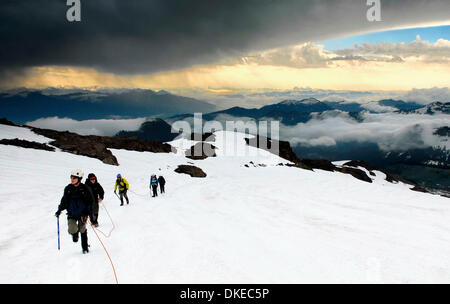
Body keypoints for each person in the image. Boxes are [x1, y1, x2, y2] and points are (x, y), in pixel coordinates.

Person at [55, 169, 94, 254]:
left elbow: (89, 202)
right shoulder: (68, 188)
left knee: (82, 229)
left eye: (74, 178)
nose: (72, 179)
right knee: (72, 229)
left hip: (82, 214)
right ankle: (75, 234)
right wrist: (59, 210)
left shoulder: (84, 189)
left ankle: (85, 248)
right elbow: (64, 201)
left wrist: (88, 214)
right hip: (71, 213)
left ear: (79, 179)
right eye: (71, 177)